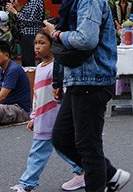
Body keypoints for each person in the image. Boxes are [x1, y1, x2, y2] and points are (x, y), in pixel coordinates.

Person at [42, 0, 131, 192]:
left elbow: (86, 39)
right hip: (79, 78)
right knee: (62, 138)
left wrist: (56, 34)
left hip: (92, 79)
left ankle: (100, 181)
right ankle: (111, 174)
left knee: (88, 145)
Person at [11, 31, 86, 192]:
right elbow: (37, 96)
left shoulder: (57, 68)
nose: (37, 47)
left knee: (38, 152)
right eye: (36, 43)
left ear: (53, 47)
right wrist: (33, 117)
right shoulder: (39, 68)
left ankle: (27, 184)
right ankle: (82, 171)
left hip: (54, 116)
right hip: (42, 117)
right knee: (62, 147)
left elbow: (64, 92)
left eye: (42, 43)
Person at [7, 0, 46, 68]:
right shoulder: (33, 0)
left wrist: (14, 11)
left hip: (30, 35)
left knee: (28, 63)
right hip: (27, 35)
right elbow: (27, 15)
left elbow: (30, 20)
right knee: (26, 61)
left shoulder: (36, 1)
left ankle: (30, 80)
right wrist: (17, 6)